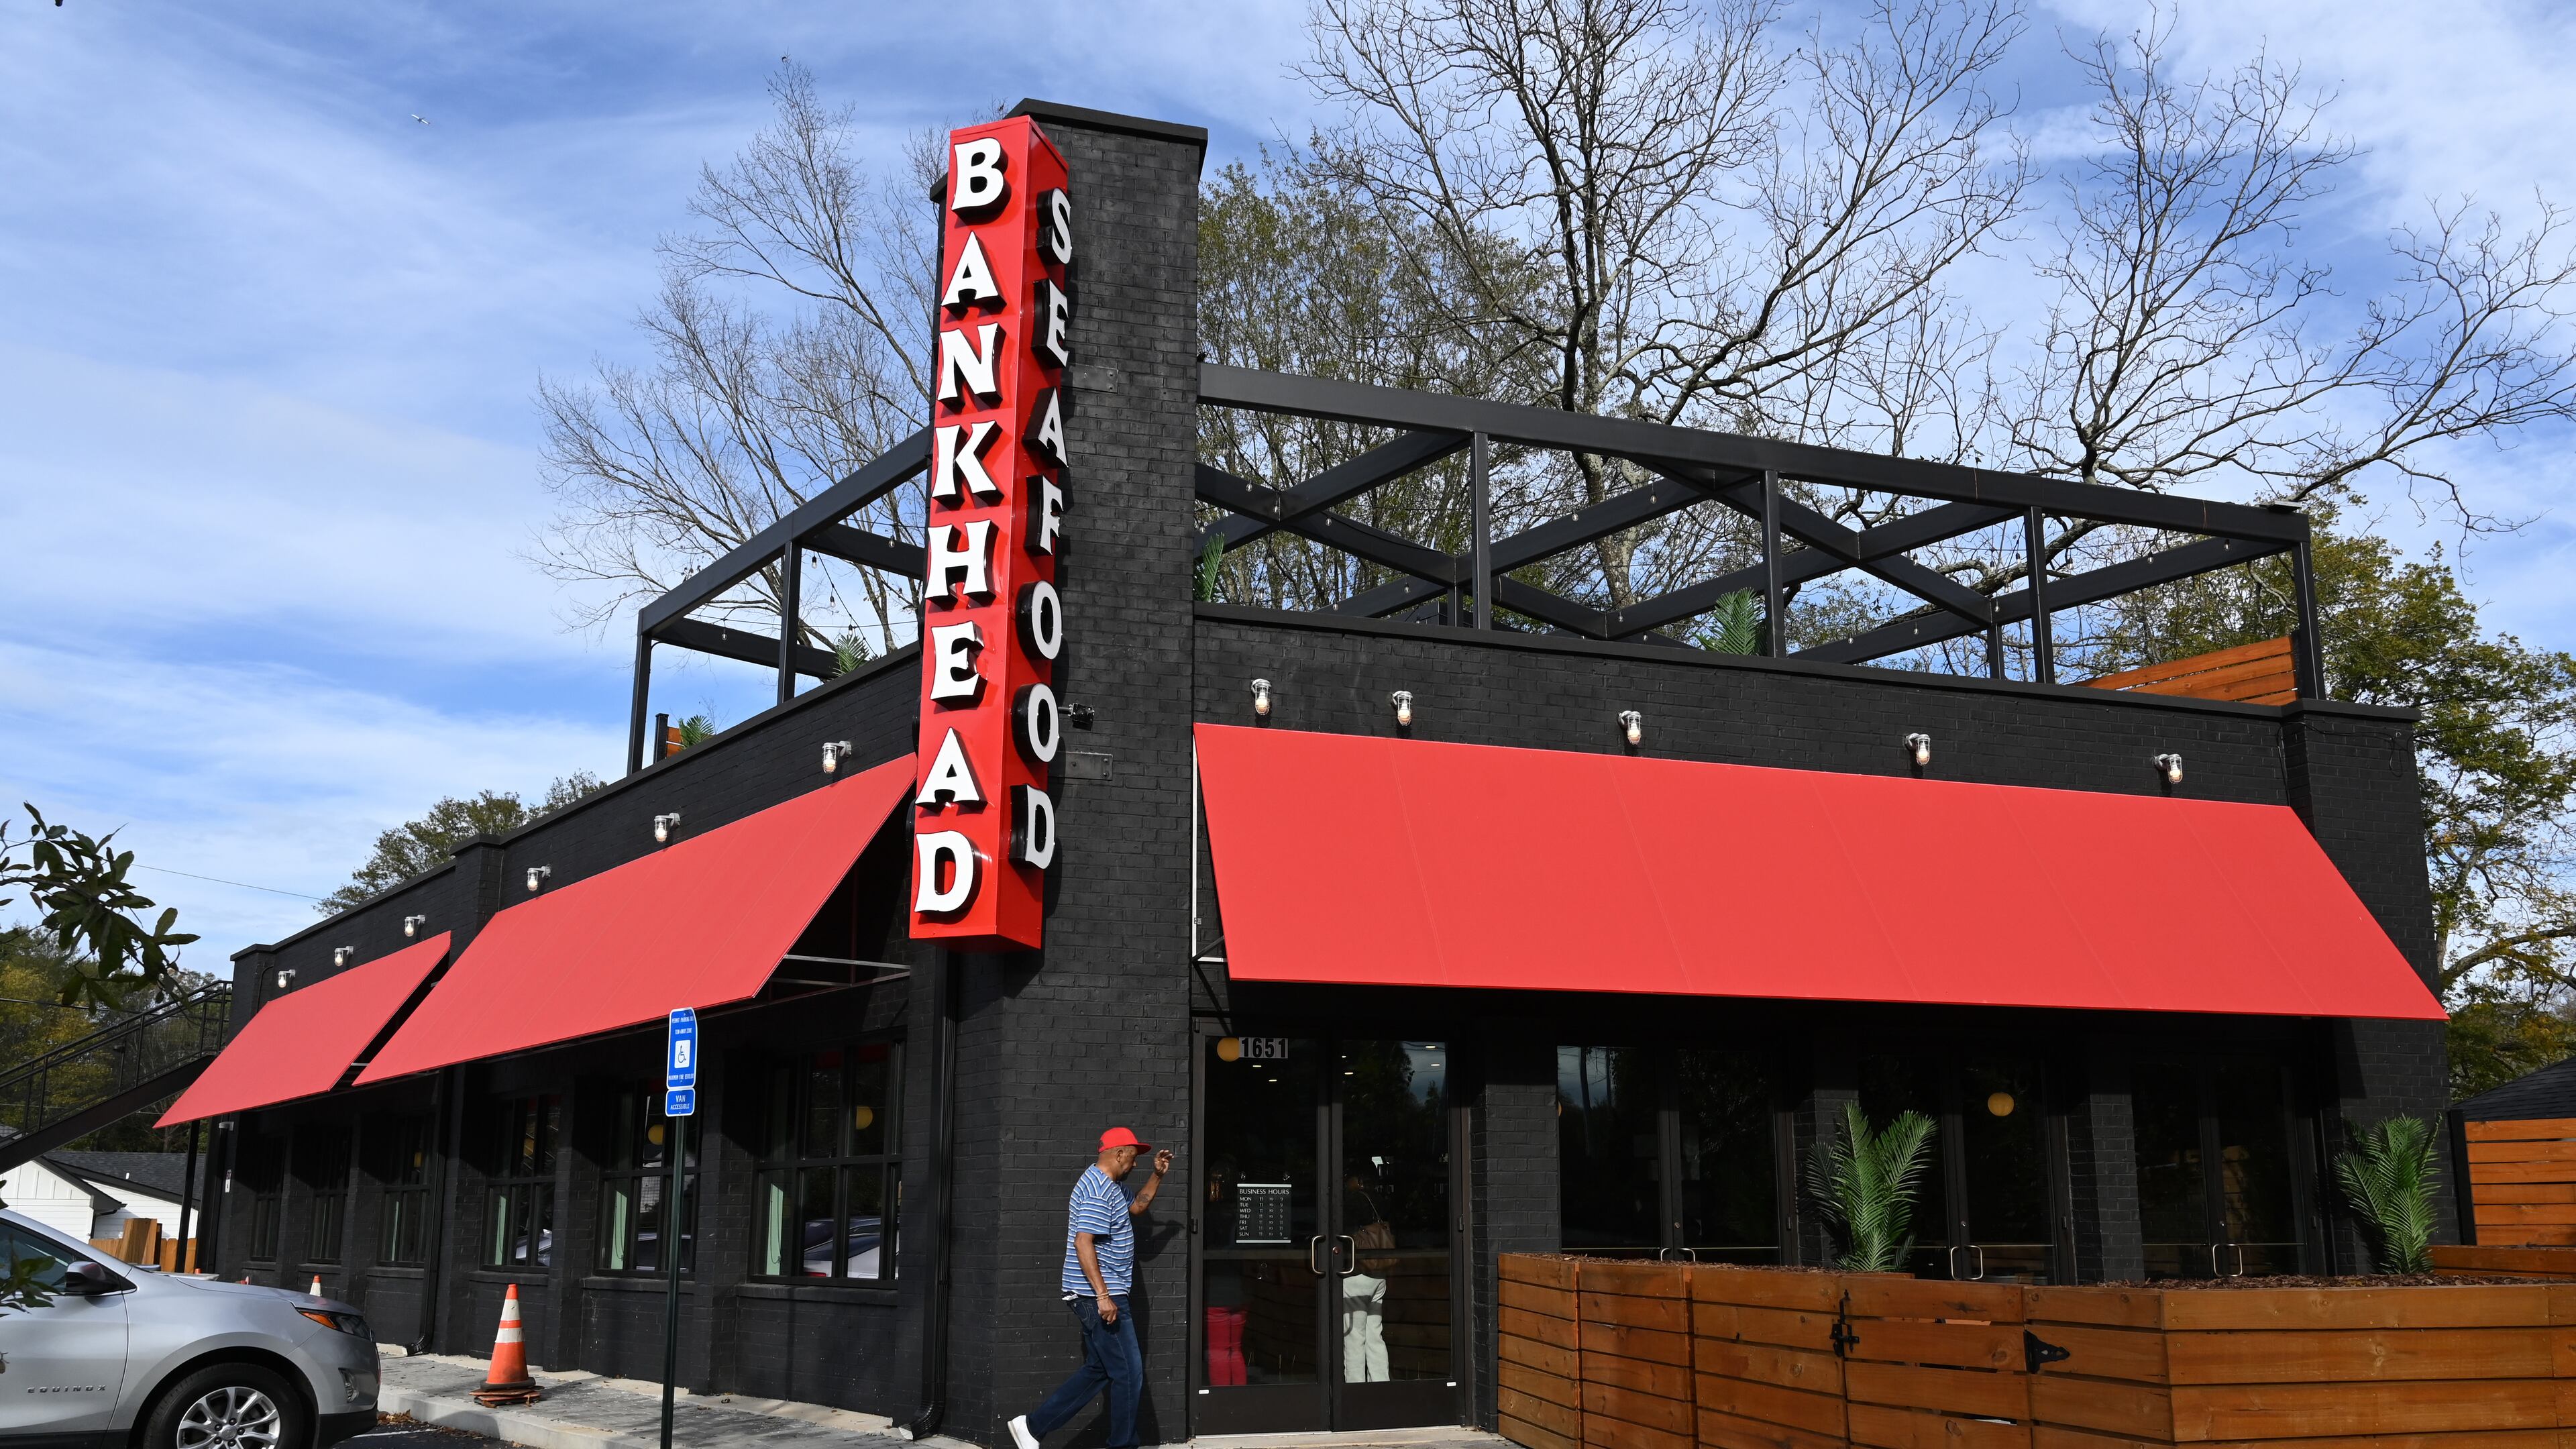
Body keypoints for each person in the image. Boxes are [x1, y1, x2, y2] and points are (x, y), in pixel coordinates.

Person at [1010, 1127, 1173, 1449]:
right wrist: (1103, 1296)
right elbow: (1083, 1243)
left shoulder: (1110, 1186)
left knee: (1100, 1369)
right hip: (1100, 1295)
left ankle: (1031, 1427)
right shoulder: (1099, 1190)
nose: (1136, 1164)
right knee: (1129, 1374)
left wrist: (1157, 1176)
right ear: (1119, 1153)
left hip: (1096, 1294)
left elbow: (1137, 1207)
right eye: (1135, 1157)